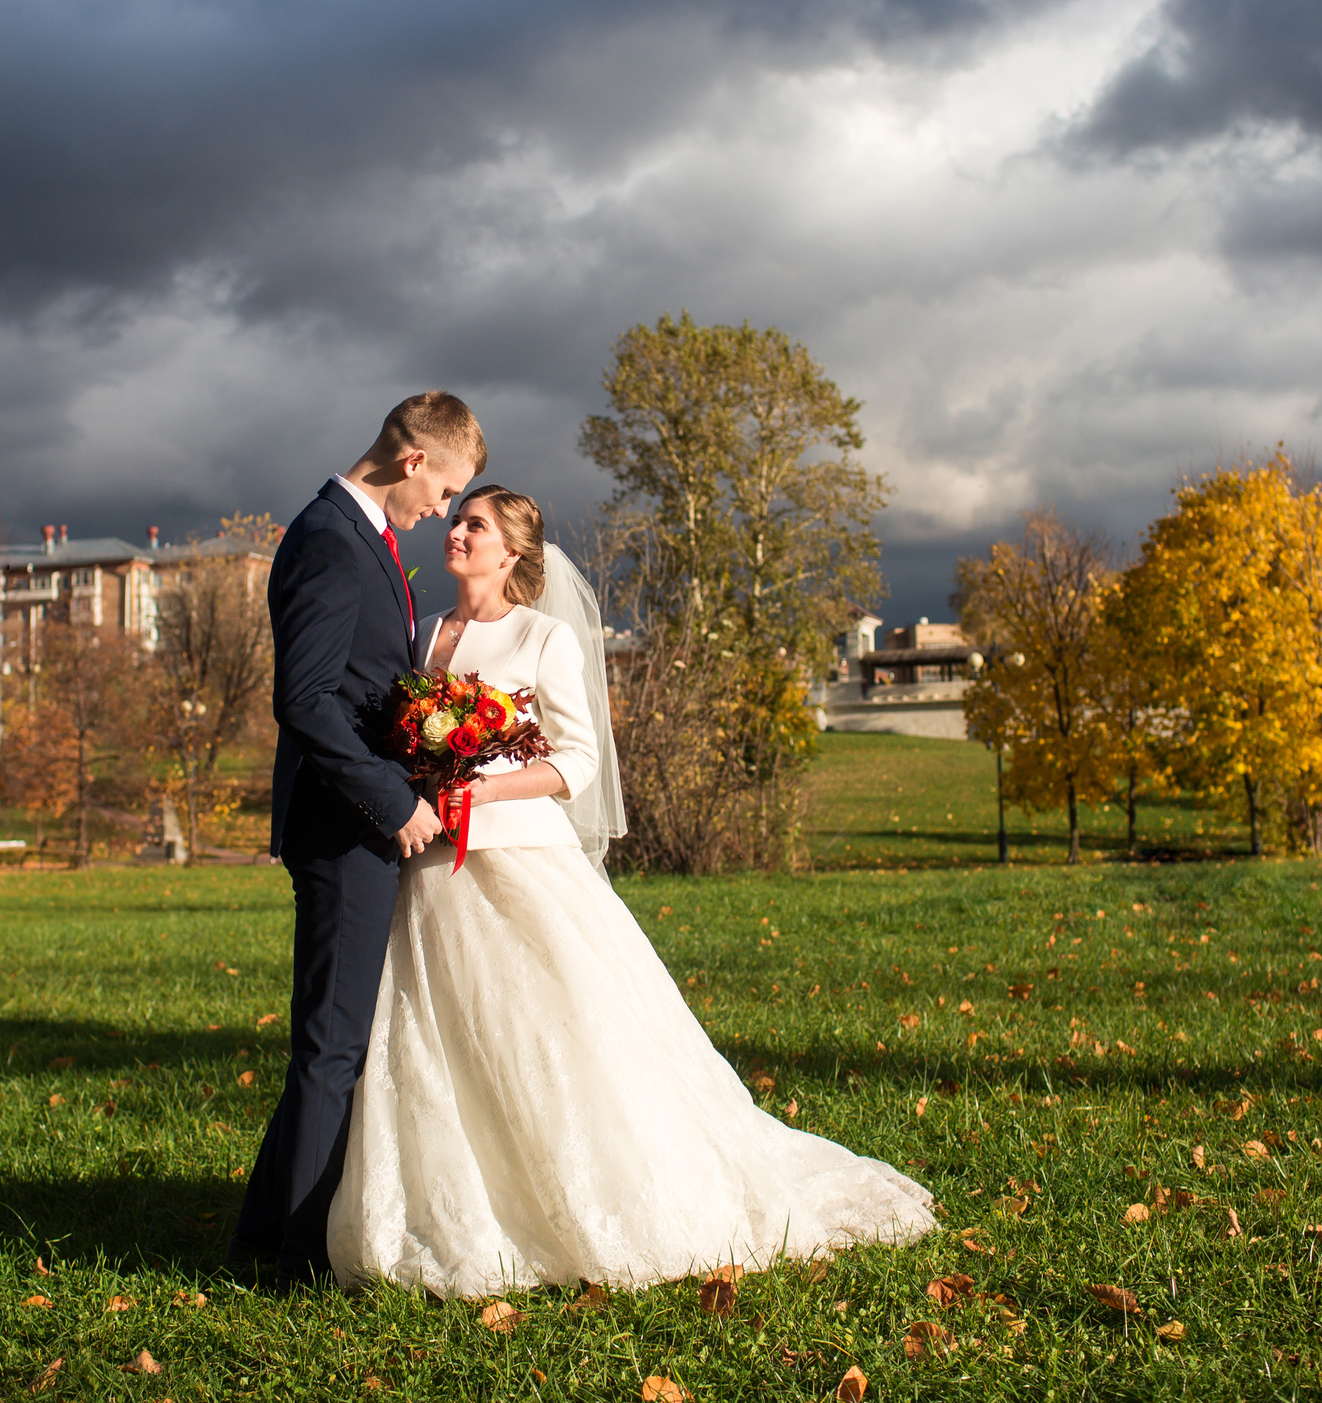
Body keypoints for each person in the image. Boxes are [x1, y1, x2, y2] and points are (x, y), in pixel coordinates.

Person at [327, 485, 935, 1298]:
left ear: (511, 552)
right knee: (442, 1042)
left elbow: (576, 761)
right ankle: (457, 1206)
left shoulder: (542, 637)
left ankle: (579, 1205)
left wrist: (487, 790)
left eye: (476, 524)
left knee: (550, 1036)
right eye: (457, 518)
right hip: (430, 868)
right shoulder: (424, 632)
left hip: (519, 863)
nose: (457, 530)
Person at [230, 392, 484, 1288]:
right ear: (415, 461)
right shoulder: (332, 539)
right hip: (344, 826)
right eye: (447, 490)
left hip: (359, 819)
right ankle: (290, 1258)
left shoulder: (360, 535)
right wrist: (391, 798)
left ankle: (266, 1230)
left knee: (335, 1039)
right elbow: (303, 700)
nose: (443, 512)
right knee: (333, 1045)